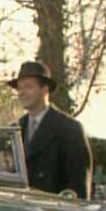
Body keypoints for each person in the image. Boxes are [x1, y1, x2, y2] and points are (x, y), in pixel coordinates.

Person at [8, 61, 93, 199]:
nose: (22, 93)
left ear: (45, 89)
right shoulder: (15, 129)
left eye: (28, 87)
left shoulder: (69, 129)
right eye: (19, 88)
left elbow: (78, 185)